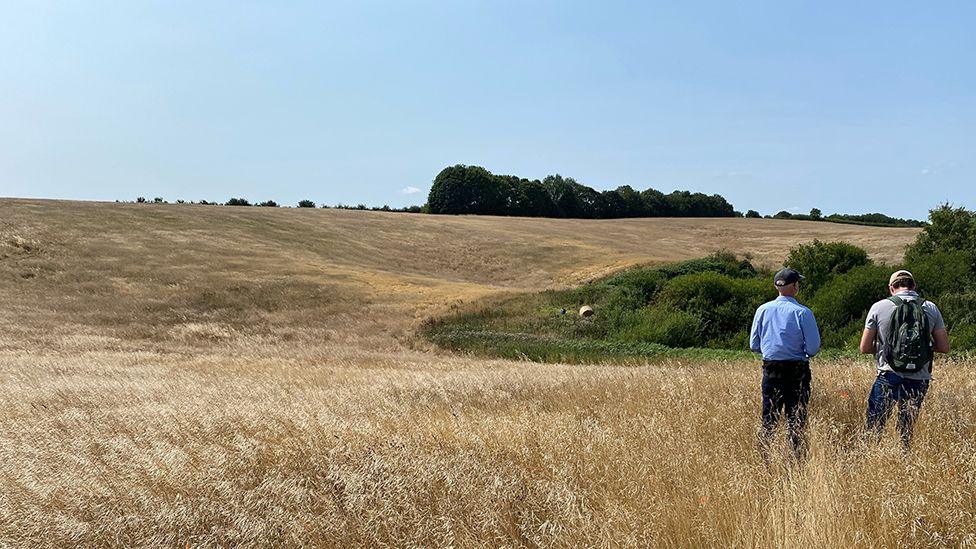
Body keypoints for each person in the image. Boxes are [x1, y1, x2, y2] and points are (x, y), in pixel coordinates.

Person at [859, 270, 950, 449]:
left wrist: (885, 350)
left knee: (874, 424)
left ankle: (867, 458)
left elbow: (864, 348)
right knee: (906, 427)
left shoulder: (879, 307)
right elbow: (944, 347)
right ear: (913, 286)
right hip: (919, 376)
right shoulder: (930, 308)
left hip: (888, 373)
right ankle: (904, 457)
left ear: (892, 288)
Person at [750, 267, 821, 459]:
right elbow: (813, 348)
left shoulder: (762, 310)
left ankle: (763, 459)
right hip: (797, 370)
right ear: (795, 286)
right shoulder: (803, 313)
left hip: (771, 368)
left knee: (769, 419)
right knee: (796, 419)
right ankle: (796, 461)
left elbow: (754, 344)